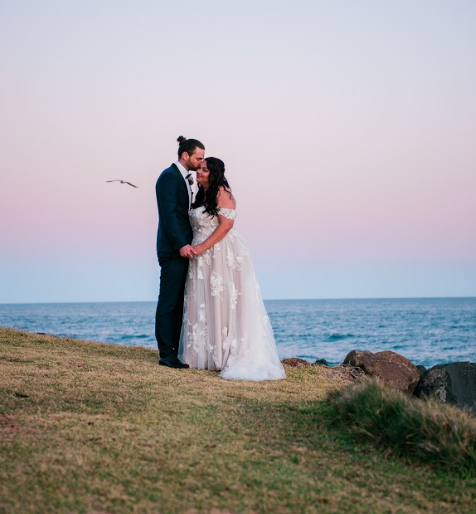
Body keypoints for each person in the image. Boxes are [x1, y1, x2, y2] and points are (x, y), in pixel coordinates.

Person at [178, 157, 285, 380]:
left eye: (204, 170)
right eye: (199, 168)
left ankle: (223, 355)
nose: (199, 173)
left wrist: (201, 247)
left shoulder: (222, 192)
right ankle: (204, 355)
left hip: (219, 251)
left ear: (214, 173)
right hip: (201, 256)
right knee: (203, 301)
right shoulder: (201, 194)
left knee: (222, 299)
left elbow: (226, 226)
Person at [155, 136, 205, 368]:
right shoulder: (168, 177)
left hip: (184, 250)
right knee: (169, 302)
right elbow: (168, 215)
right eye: (198, 158)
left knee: (179, 302)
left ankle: (174, 351)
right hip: (174, 249)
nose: (200, 162)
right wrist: (180, 244)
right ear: (186, 155)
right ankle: (166, 354)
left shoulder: (185, 179)